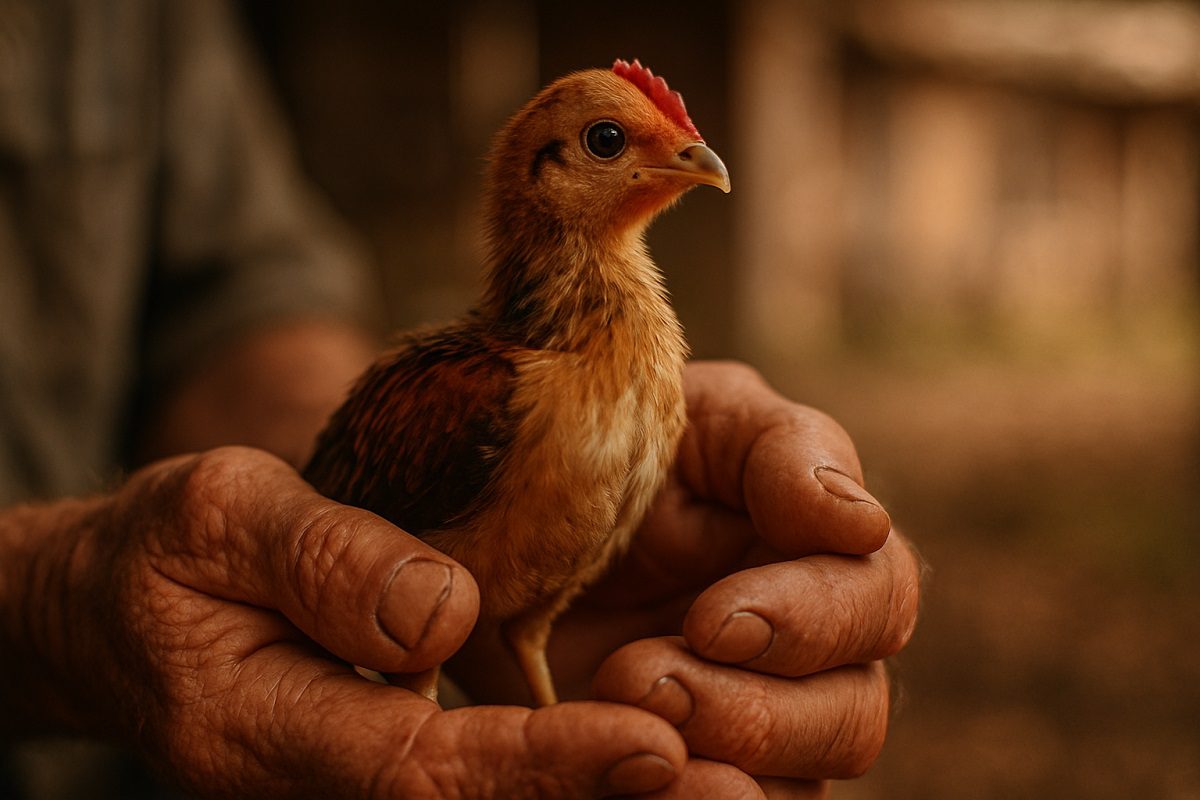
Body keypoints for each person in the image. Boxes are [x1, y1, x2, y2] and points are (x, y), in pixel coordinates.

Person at [0, 2, 920, 798]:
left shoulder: (636, 377)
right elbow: (385, 549)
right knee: (418, 657)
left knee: (535, 658)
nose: (681, 154)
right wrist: (53, 601)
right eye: (611, 143)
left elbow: (237, 298)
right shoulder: (499, 388)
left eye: (663, 141)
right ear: (542, 177)